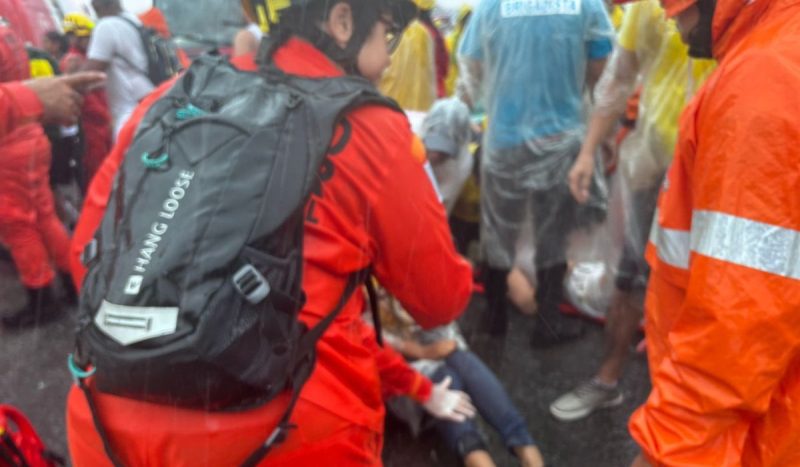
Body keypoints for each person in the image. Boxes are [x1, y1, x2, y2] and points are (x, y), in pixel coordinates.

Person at [65, 0, 474, 464]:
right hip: (288, 431)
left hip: (107, 423)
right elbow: (439, 299)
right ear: (343, 21)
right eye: (389, 31)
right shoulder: (371, 126)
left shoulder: (170, 98)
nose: (390, 55)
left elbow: (86, 261)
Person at [624, 0, 800, 464]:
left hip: (747, 439)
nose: (668, 14)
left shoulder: (766, 78)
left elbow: (742, 317)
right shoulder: (776, 52)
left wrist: (666, 447)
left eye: (675, 2)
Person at [551, 0, 715, 421]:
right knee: (630, 275)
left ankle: (683, 409)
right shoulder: (649, 8)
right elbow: (617, 80)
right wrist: (587, 152)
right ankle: (608, 379)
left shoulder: (745, 9)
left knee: (707, 289)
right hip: (651, 168)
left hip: (717, 174)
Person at [458, 0, 614, 341]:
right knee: (553, 236)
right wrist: (600, 137)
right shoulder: (585, 4)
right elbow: (603, 74)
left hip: (504, 138)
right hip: (560, 138)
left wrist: (461, 116)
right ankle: (547, 324)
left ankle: (494, 317)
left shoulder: (492, 6)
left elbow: (470, 68)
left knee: (499, 231)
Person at [0, 18, 101, 328]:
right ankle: (71, 283)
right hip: (29, 134)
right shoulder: (7, 33)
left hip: (9, 141)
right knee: (44, 215)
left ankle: (42, 297)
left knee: (19, 225)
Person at [83, 0, 154, 139]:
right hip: (150, 101)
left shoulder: (106, 25)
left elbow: (89, 74)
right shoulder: (134, 21)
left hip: (130, 115)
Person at [60, 12, 112, 186]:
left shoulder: (86, 58)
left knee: (106, 166)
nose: (91, 42)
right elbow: (75, 90)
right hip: (90, 124)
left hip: (100, 121)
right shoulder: (73, 60)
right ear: (73, 37)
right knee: (97, 170)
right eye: (86, 38)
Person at [379, 0, 438, 111]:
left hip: (391, 112)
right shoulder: (424, 34)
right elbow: (431, 79)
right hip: (421, 113)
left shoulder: (385, 34)